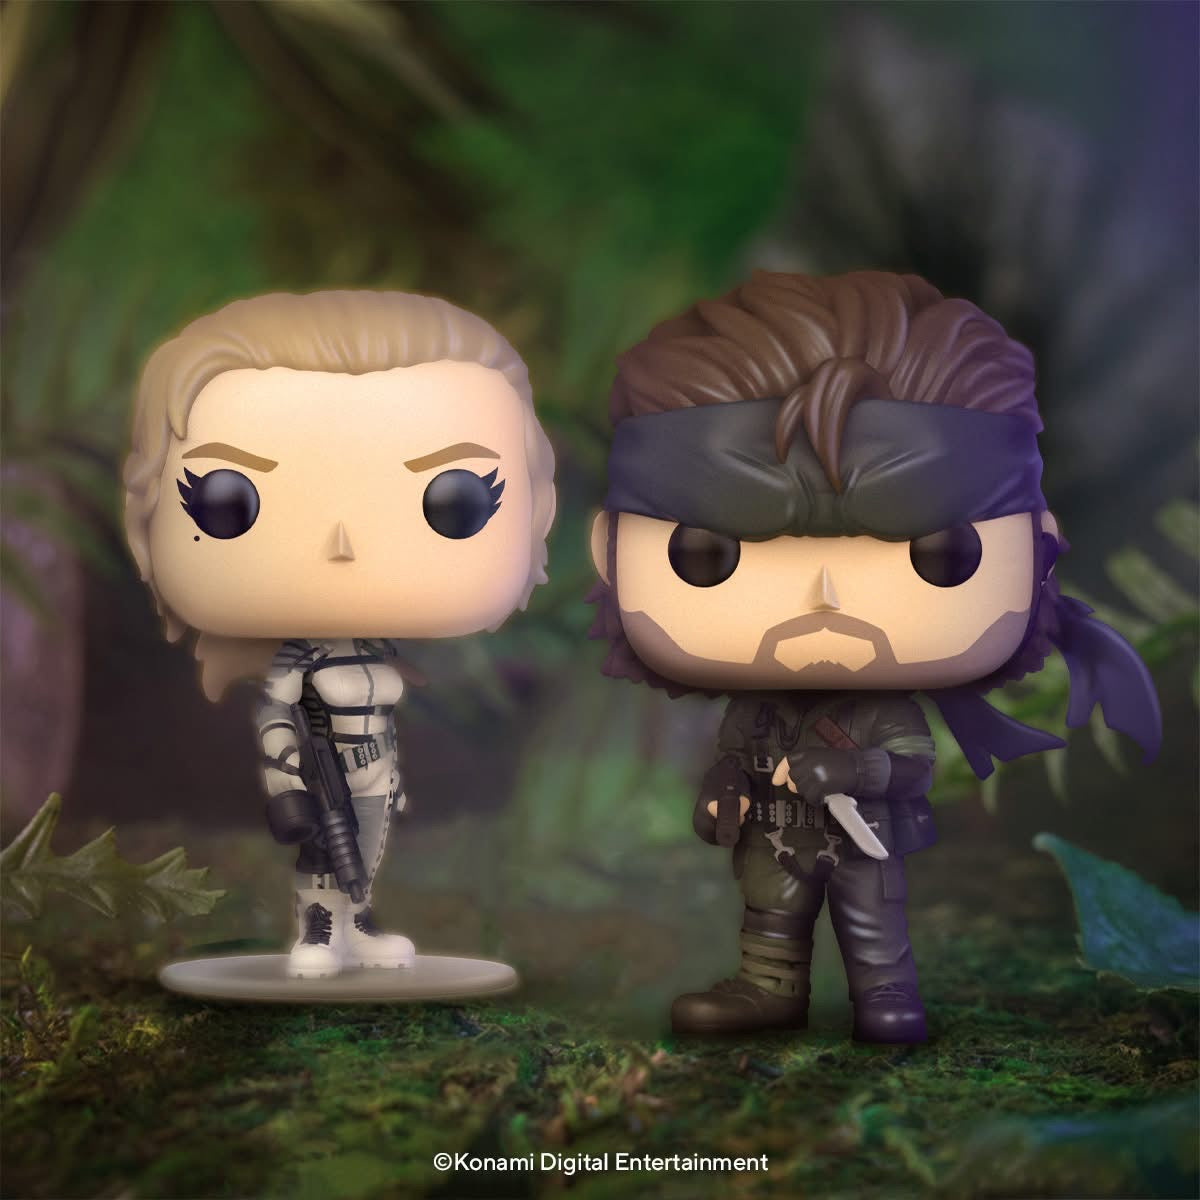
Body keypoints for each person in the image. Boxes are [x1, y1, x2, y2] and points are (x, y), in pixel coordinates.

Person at [587, 270, 1159, 1041]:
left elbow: (911, 767)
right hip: (777, 836)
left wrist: (845, 770)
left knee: (871, 917)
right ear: (610, 553)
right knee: (770, 911)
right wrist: (724, 791)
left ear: (1037, 550)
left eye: (940, 555)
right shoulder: (757, 712)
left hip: (862, 836)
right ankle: (769, 987)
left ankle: (886, 993)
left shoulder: (883, 712)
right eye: (708, 555)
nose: (823, 597)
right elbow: (737, 758)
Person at [124, 290, 555, 978]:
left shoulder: (377, 657)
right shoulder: (299, 662)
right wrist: (284, 780)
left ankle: (358, 921)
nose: (342, 542)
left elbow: (377, 716)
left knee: (366, 849)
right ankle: (319, 928)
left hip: (374, 765)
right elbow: (276, 715)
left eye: (456, 501)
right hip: (323, 768)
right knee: (325, 851)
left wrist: (389, 775)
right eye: (228, 500)